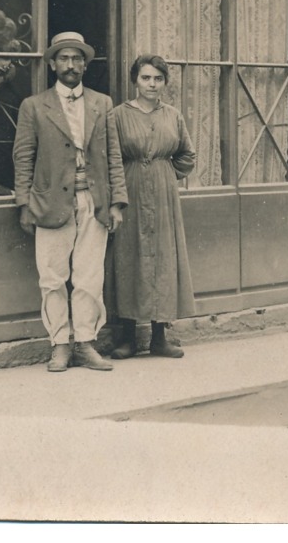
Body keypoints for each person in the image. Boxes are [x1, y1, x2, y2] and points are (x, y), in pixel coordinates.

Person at [13, 31, 127, 372]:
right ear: (52, 64)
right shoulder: (34, 106)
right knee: (52, 277)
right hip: (49, 205)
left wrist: (117, 202)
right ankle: (59, 345)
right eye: (63, 58)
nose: (71, 64)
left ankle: (86, 344)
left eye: (77, 59)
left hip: (94, 203)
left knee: (90, 277)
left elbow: (113, 156)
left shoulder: (102, 103)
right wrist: (24, 205)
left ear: (85, 65)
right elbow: (23, 157)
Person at [107, 54, 196, 360]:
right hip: (129, 189)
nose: (152, 84)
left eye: (158, 79)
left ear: (165, 83)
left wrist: (167, 173)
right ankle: (128, 337)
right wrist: (117, 199)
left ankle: (159, 336)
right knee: (129, 256)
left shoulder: (173, 116)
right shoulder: (117, 115)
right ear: (135, 80)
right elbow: (112, 159)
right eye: (146, 78)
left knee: (162, 258)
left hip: (162, 193)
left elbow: (187, 154)